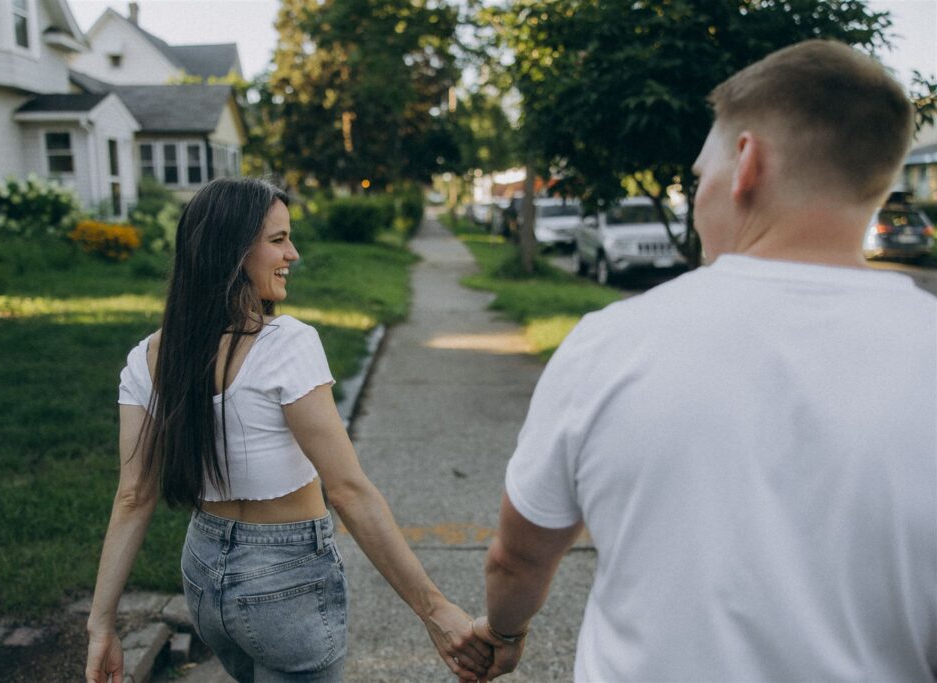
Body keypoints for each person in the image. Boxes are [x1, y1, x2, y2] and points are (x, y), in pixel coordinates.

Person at [472, 39, 937, 681]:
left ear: (746, 162)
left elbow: (517, 559)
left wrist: (503, 632)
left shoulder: (611, 344)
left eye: (698, 176)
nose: (697, 198)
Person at [84, 177, 492, 682]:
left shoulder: (148, 357)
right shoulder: (285, 345)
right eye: (278, 240)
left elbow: (133, 496)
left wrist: (100, 625)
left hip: (204, 577)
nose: (292, 254)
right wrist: (435, 611)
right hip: (286, 582)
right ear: (232, 252)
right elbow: (348, 491)